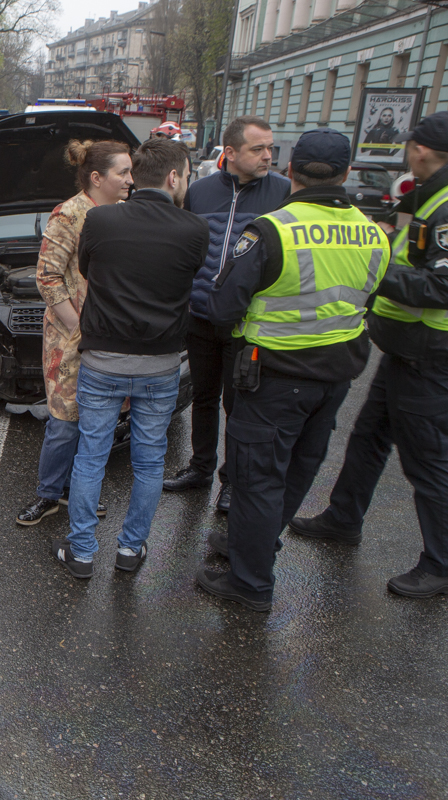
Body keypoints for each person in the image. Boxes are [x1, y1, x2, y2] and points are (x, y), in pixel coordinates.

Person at [195, 128, 391, 611]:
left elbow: (222, 308)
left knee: (258, 478)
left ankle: (250, 582)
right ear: (347, 173)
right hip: (336, 378)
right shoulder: (374, 233)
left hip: (274, 377)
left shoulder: (272, 230)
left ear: (290, 170)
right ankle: (253, 546)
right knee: (298, 472)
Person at [288, 112, 448, 598]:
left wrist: (372, 270)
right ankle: (343, 517)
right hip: (405, 349)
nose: (406, 151)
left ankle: (440, 563)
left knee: (427, 461)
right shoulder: (427, 195)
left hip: (430, 354)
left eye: (411, 144)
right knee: (368, 437)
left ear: (422, 149)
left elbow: (440, 286)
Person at [54, 138, 208, 578]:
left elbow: (87, 269)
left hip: (102, 361)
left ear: (136, 175)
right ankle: (130, 549)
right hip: (159, 365)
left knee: (91, 456)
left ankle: (81, 552)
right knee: (148, 460)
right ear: (174, 177)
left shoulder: (100, 220)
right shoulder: (194, 229)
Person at [163, 116, 290, 512]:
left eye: (271, 148)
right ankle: (200, 468)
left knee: (240, 406)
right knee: (203, 397)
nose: (268, 156)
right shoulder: (199, 192)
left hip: (247, 323)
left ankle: (232, 481)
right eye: (258, 149)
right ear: (230, 153)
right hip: (199, 317)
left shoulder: (283, 193)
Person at [17, 140, 133, 526]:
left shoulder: (125, 213)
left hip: (111, 335)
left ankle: (77, 492)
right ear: (97, 177)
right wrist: (78, 328)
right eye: (123, 172)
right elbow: (46, 277)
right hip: (72, 337)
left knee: (97, 421)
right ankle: (49, 493)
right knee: (65, 422)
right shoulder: (69, 215)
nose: (131, 179)